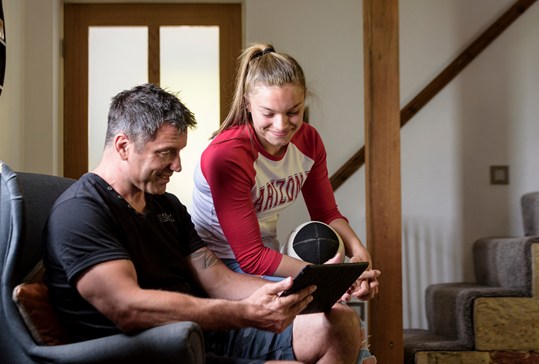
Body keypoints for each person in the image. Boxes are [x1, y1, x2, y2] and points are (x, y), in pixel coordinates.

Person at [43, 83, 365, 364]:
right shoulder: (81, 213)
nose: (178, 166)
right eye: (166, 153)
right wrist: (244, 314)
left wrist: (300, 295)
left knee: (340, 326)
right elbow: (130, 308)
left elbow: (218, 281)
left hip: (205, 336)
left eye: (179, 153)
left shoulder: (166, 206)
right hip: (152, 353)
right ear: (123, 146)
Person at [191, 43, 380, 363]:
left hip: (269, 255)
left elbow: (327, 213)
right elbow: (249, 258)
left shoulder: (309, 141)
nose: (281, 126)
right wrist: (328, 277)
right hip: (221, 267)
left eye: (293, 112)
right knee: (337, 318)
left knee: (338, 317)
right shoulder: (227, 156)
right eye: (269, 114)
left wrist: (358, 254)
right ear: (249, 105)